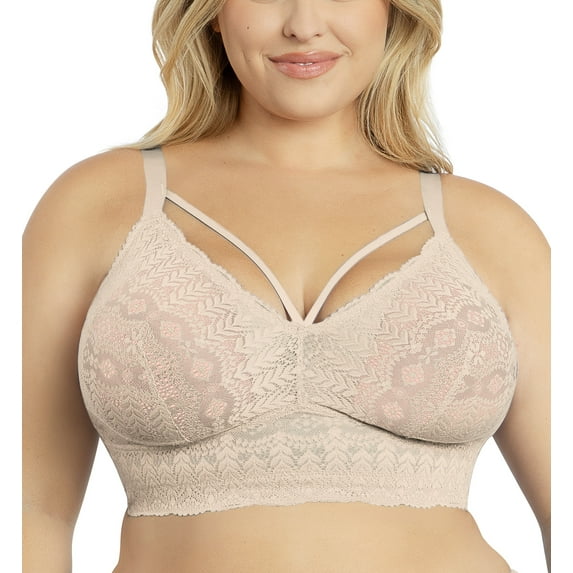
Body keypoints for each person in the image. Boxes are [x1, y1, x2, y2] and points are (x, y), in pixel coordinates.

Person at [22, 0, 550, 572]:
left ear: (392, 10)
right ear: (213, 12)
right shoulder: (99, 205)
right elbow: (31, 510)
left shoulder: (492, 230)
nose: (304, 24)